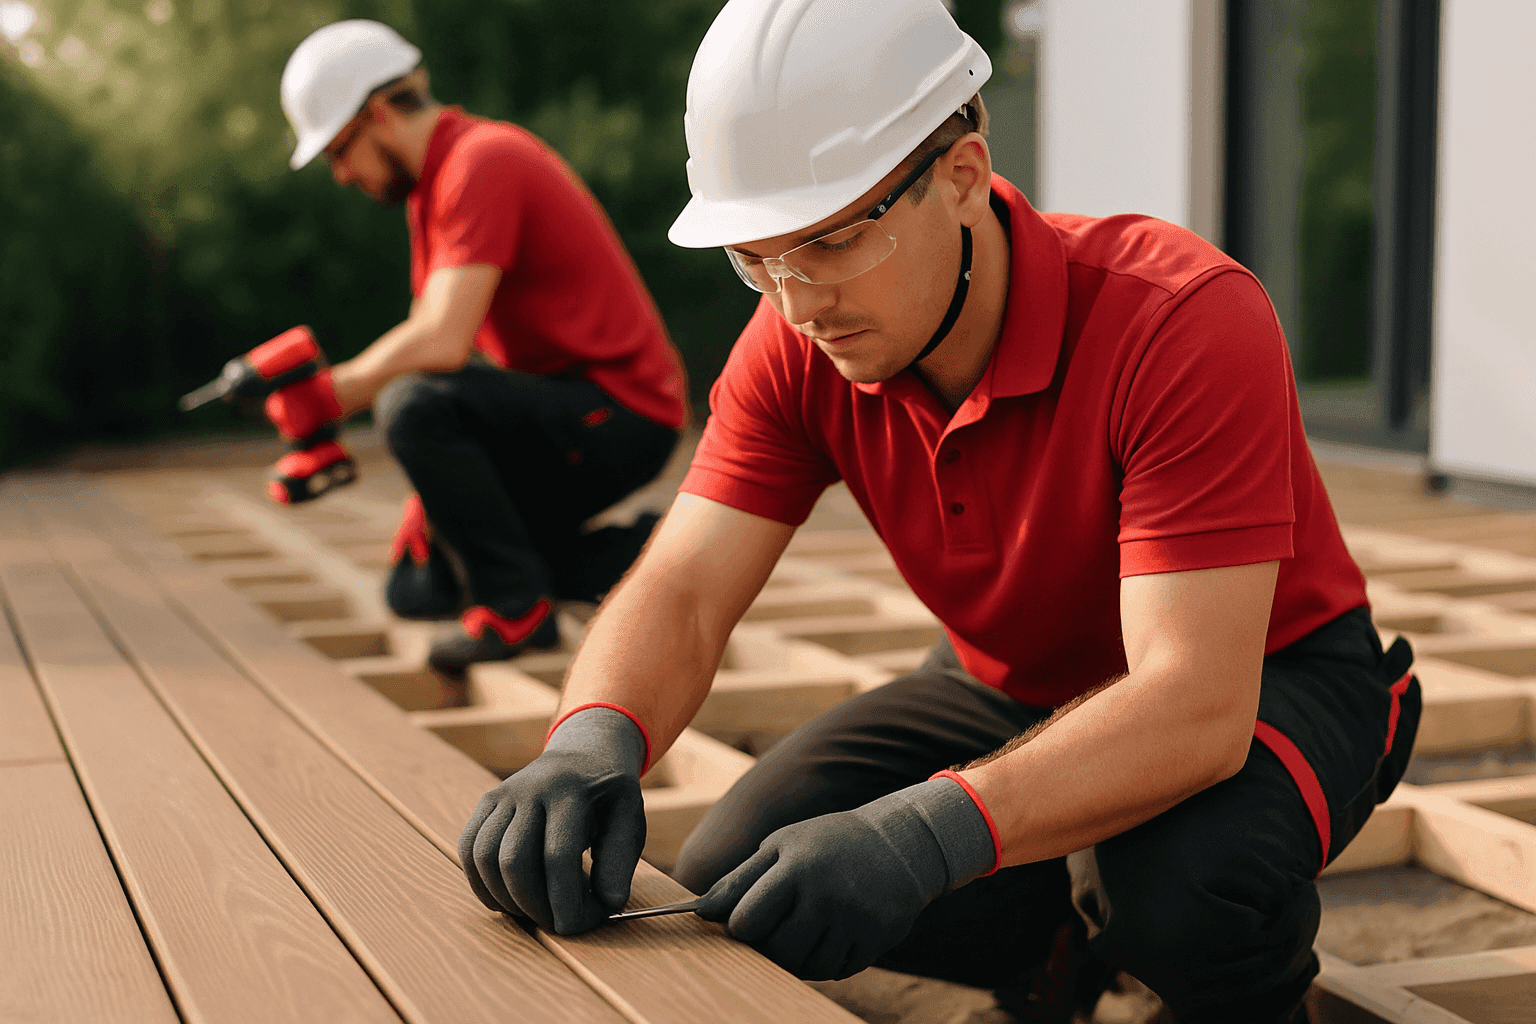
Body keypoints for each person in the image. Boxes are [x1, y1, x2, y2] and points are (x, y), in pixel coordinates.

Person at [456, 2, 1420, 1021]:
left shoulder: (1179, 320)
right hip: (1012, 675)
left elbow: (1193, 702)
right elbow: (686, 585)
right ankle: (1060, 944)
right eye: (757, 258)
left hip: (1269, 675)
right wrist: (591, 738)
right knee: (745, 862)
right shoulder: (796, 337)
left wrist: (923, 836)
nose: (796, 303)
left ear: (961, 176)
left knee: (1177, 892)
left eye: (830, 241)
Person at [271, 20, 687, 673]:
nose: (343, 175)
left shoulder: (483, 160)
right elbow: (441, 343)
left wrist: (332, 393)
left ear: (377, 114)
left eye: (338, 152)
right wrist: (434, 494)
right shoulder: (432, 192)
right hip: (562, 412)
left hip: (621, 412)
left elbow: (440, 341)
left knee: (409, 405)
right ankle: (642, 555)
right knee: (418, 588)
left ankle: (518, 613)